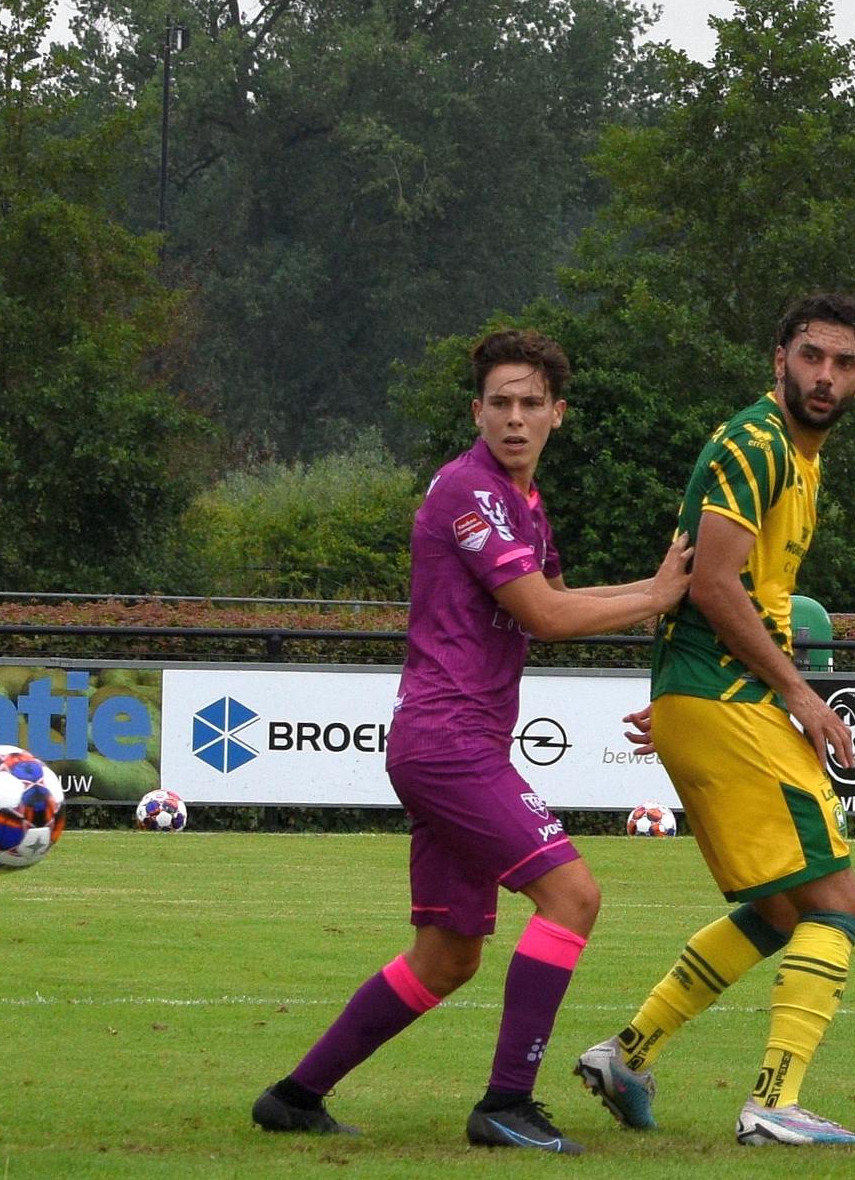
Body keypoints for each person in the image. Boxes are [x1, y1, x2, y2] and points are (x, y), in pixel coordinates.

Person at [251, 329, 692, 1155]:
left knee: (447, 957)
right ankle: (506, 1105)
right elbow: (550, 619)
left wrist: (661, 589)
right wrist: (659, 596)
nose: (516, 419)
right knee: (575, 897)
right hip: (450, 743)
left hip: (451, 742)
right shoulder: (471, 490)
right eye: (501, 403)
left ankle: (293, 1096)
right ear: (477, 411)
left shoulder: (521, 501)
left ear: (558, 415)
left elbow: (555, 593)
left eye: (532, 404)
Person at [573, 292, 855, 1147]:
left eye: (843, 363)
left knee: (784, 913)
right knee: (837, 902)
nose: (825, 376)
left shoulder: (797, 459)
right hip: (730, 700)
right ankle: (774, 1104)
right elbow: (710, 583)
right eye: (811, 356)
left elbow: (723, 595)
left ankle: (628, 1055)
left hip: (709, 697)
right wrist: (798, 693)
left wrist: (683, 694)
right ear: (778, 359)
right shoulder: (756, 441)